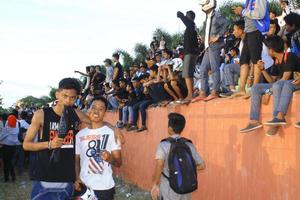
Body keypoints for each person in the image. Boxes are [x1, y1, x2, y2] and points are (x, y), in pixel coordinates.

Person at [23, 78, 91, 200]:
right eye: (64, 96)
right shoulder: (41, 114)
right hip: (44, 176)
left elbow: (96, 123)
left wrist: (114, 128)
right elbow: (26, 145)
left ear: (76, 98)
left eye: (72, 97)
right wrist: (50, 144)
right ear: (57, 94)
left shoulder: (77, 114)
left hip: (67, 176)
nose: (68, 100)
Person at [240, 36, 297, 134]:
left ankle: (277, 118)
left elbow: (284, 79)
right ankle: (254, 121)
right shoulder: (276, 61)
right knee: (256, 88)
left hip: (293, 83)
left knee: (277, 86)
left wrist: (269, 92)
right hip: (282, 85)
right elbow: (273, 81)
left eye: (266, 49)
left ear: (271, 50)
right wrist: (263, 70)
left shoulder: (289, 56)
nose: (266, 51)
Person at [74, 96, 122, 200]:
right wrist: (77, 178)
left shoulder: (112, 133)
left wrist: (109, 158)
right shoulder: (79, 135)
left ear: (105, 112)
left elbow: (118, 163)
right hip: (84, 186)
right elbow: (76, 160)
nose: (96, 111)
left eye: (101, 109)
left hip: (104, 188)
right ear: (88, 109)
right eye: (94, 107)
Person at [151, 113, 205, 200]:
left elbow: (160, 164)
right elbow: (202, 165)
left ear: (169, 128)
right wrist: (183, 169)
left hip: (169, 189)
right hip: (186, 188)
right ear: (182, 128)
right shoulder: (189, 145)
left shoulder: (163, 145)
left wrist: (155, 184)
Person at [193, 0, 229, 102]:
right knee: (203, 69)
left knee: (214, 68)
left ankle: (215, 92)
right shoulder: (207, 17)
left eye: (203, 4)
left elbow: (227, 23)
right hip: (208, 47)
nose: (202, 7)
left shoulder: (217, 15)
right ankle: (203, 92)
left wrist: (218, 36)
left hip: (215, 46)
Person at [232, 0, 270, 98]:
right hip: (248, 32)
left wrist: (243, 11)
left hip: (256, 32)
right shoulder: (249, 1)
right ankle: (241, 89)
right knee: (243, 60)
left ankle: (254, 89)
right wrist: (241, 12)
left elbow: (259, 14)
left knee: (256, 60)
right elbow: (249, 16)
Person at [177, 10, 199, 103]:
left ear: (189, 17)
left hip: (190, 53)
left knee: (187, 74)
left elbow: (184, 18)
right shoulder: (192, 27)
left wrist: (180, 15)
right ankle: (191, 93)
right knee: (188, 74)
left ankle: (190, 94)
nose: (185, 17)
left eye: (187, 16)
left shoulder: (190, 24)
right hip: (190, 52)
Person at [0, 111, 19, 182]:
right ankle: (13, 176)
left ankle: (6, 178)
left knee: (6, 163)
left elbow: (1, 137)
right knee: (10, 162)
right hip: (14, 147)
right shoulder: (16, 126)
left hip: (6, 147)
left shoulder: (7, 128)